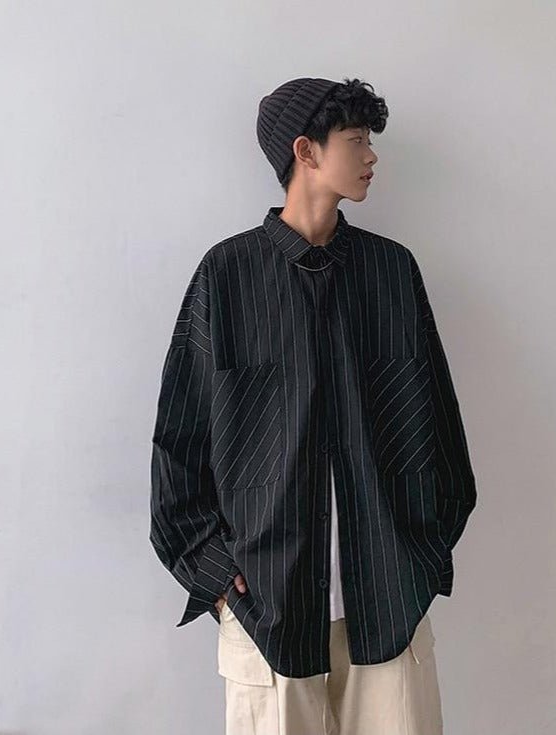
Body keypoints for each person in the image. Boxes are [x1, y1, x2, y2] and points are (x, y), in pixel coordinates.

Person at [150, 76, 477, 735]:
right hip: (266, 606)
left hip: (388, 595)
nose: (371, 155)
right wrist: (214, 572)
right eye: (356, 139)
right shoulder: (227, 276)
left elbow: (440, 424)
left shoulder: (391, 272)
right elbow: (178, 440)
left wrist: (422, 551)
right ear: (306, 150)